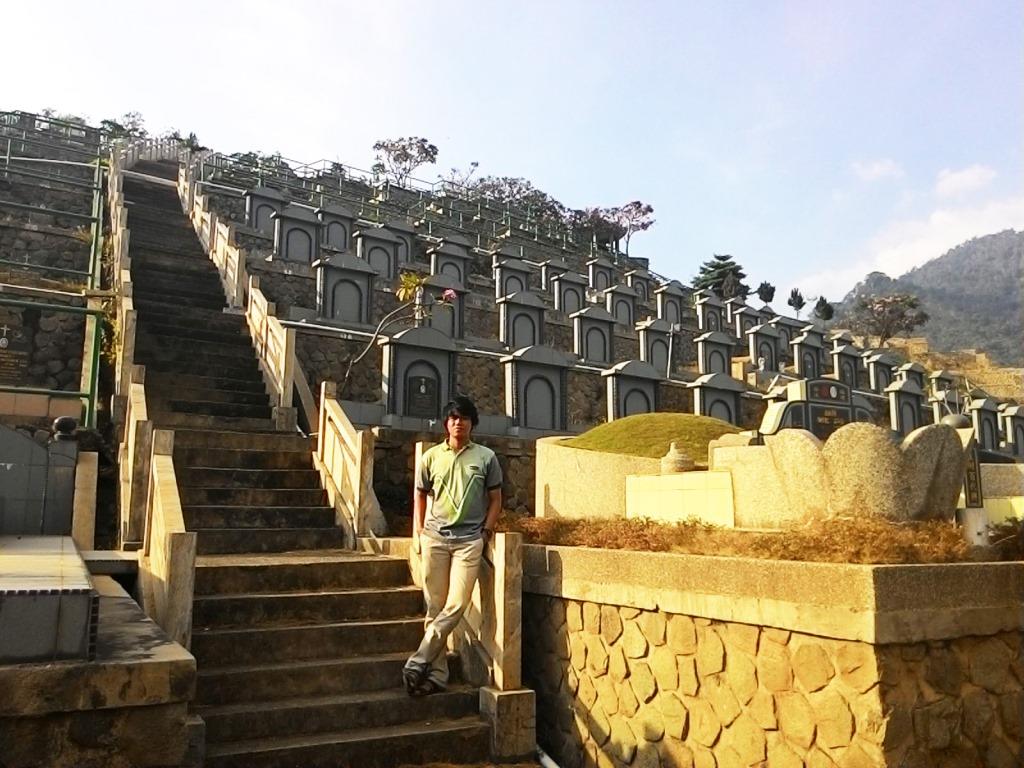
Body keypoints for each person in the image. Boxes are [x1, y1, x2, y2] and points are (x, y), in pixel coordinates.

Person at [403, 395, 503, 696]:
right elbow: (420, 492)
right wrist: (419, 529)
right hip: (435, 539)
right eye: (453, 418)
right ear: (446, 423)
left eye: (465, 418)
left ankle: (417, 660)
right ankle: (436, 676)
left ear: (473, 423)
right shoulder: (432, 456)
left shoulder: (486, 457)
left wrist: (486, 532)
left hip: (469, 542)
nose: (459, 423)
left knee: (456, 603)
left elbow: (496, 499)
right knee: (435, 606)